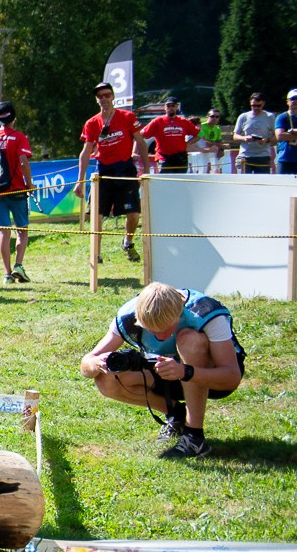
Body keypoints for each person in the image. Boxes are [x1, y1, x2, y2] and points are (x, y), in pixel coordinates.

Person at [80, 281, 246, 459]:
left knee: (189, 340)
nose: (160, 337)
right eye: (151, 330)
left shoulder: (204, 313)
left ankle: (194, 437)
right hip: (166, 371)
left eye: (167, 329)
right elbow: (85, 365)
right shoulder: (127, 316)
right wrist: (97, 363)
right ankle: (175, 414)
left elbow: (231, 378)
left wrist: (185, 372)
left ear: (180, 312)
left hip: (209, 376)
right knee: (106, 379)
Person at [78, 82, 149, 259]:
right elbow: (86, 152)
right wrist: (80, 181)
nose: (104, 99)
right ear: (97, 100)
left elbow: (140, 142)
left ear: (113, 97)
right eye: (100, 96)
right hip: (103, 171)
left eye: (107, 95)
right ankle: (97, 252)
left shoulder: (127, 116)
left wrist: (146, 171)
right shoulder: (92, 123)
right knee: (96, 214)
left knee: (133, 213)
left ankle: (128, 242)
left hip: (125, 169)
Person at [0, 100, 34, 283]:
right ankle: (19, 264)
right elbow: (23, 162)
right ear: (14, 118)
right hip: (17, 190)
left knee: (3, 231)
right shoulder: (19, 137)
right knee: (22, 230)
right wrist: (29, 183)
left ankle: (7, 274)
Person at [140, 97, 199, 175]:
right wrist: (134, 151)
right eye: (168, 106)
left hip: (180, 157)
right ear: (165, 107)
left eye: (173, 106)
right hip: (164, 157)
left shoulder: (184, 121)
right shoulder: (157, 121)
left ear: (176, 107)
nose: (170, 108)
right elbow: (141, 135)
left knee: (180, 181)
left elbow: (200, 134)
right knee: (166, 180)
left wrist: (188, 144)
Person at [233, 92, 278, 174]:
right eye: (253, 106)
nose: (256, 108)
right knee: (243, 184)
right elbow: (235, 136)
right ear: (250, 103)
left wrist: (266, 140)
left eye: (258, 106)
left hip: (263, 156)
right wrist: (244, 138)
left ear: (263, 104)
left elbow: (277, 136)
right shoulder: (243, 117)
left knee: (262, 184)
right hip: (245, 155)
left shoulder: (270, 117)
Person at [278, 89, 297, 175]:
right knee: (282, 187)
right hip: (285, 160)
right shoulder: (282, 117)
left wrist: (293, 132)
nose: (296, 101)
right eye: (293, 98)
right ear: (287, 102)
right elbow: (280, 136)